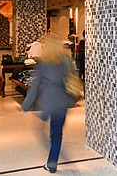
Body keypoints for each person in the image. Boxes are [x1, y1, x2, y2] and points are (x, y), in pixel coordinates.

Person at [22, 34, 75, 173]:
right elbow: (72, 78)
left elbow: (35, 86)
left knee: (47, 130)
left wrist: (26, 105)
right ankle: (52, 162)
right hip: (62, 102)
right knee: (57, 132)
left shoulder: (43, 63)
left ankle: (52, 157)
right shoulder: (66, 60)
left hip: (49, 102)